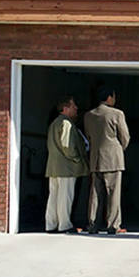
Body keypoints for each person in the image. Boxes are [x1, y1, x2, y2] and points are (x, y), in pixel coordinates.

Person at [85, 86, 130, 235]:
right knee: (113, 193)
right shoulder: (117, 114)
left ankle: (93, 224)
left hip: (95, 157)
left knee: (95, 193)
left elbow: (89, 136)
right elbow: (125, 137)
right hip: (113, 157)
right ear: (109, 98)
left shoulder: (89, 115)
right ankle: (113, 225)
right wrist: (118, 149)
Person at [45, 95, 89, 234]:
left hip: (54, 167)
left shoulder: (54, 123)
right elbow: (67, 145)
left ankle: (51, 224)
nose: (76, 108)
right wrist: (76, 159)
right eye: (73, 106)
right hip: (67, 167)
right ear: (65, 108)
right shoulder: (66, 123)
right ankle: (64, 224)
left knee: (54, 196)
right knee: (65, 196)